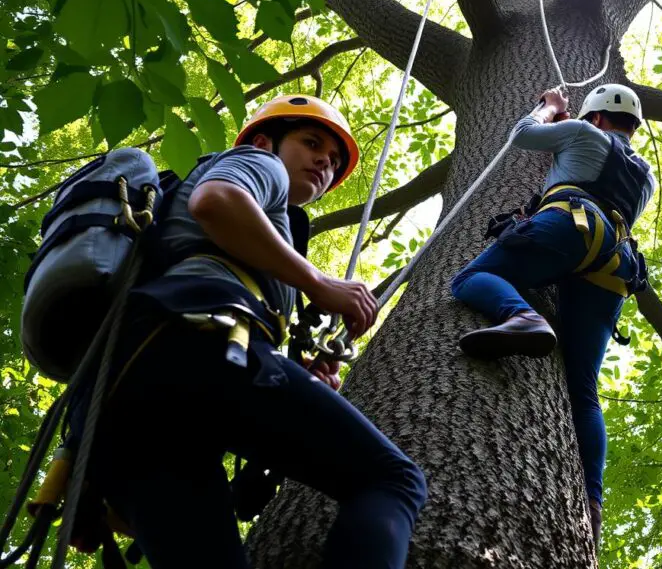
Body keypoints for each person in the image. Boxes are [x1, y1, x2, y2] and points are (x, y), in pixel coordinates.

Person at [74, 95, 427, 569]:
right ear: (265, 140)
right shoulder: (260, 162)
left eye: (337, 159)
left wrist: (295, 370)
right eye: (312, 142)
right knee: (391, 480)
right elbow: (216, 202)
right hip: (194, 344)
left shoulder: (246, 247)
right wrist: (320, 282)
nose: (327, 159)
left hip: (127, 397)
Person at [450, 84, 655, 545]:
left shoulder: (583, 132)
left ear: (597, 117)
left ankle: (521, 316)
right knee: (583, 391)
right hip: (613, 267)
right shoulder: (644, 177)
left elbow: (522, 135)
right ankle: (593, 503)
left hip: (570, 223)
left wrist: (550, 110)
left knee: (465, 281)